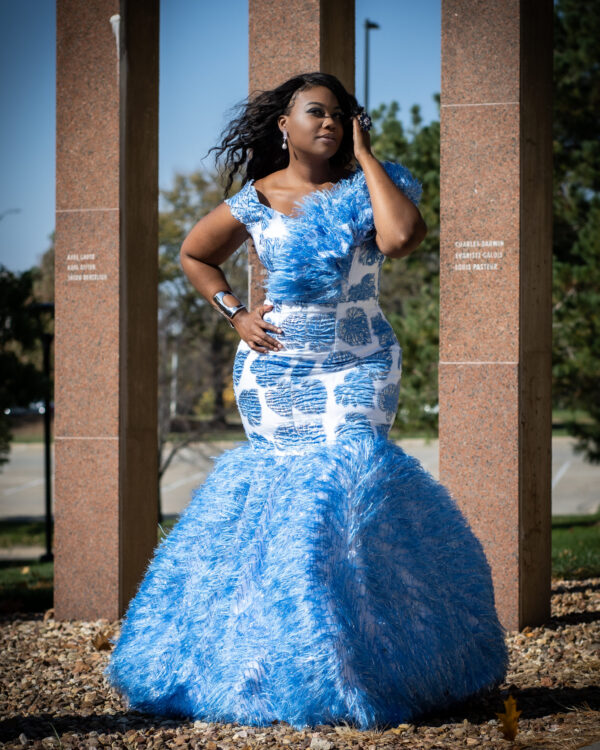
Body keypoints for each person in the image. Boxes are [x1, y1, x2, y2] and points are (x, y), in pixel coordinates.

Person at [106, 72, 508, 730]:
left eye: (340, 114)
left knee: (349, 491)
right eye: (315, 113)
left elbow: (403, 238)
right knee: (282, 499)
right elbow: (194, 255)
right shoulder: (257, 198)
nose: (328, 123)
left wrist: (369, 157)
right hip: (277, 369)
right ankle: (278, 661)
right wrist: (235, 313)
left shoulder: (369, 189)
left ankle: (374, 657)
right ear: (283, 128)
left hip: (359, 360)